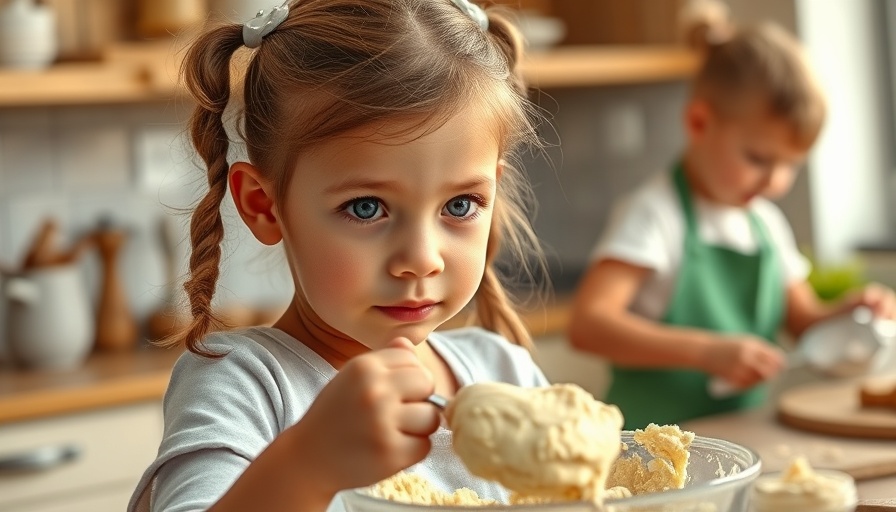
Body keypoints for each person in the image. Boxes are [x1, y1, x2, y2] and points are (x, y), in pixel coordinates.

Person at [127, 1, 552, 511]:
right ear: (265, 207)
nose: (421, 259)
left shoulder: (506, 373)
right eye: (366, 207)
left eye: (460, 205)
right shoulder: (244, 385)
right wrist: (308, 463)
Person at [567, 0, 896, 430]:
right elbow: (590, 325)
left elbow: (801, 322)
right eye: (759, 158)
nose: (775, 182)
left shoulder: (765, 224)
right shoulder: (654, 214)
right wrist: (706, 351)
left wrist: (848, 312)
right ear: (700, 123)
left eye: (791, 165)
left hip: (743, 437)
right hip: (652, 449)